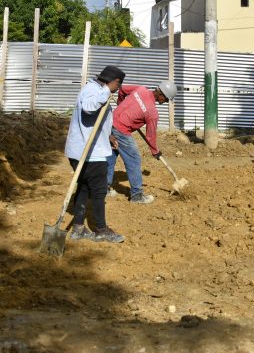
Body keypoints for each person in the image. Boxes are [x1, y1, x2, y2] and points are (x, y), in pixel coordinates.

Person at [64, 65, 126, 243]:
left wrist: (108, 135)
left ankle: (78, 228)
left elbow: (94, 120)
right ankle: (101, 229)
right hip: (90, 153)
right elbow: (90, 108)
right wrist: (107, 89)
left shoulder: (94, 89)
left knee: (83, 188)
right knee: (99, 191)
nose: (118, 89)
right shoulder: (94, 90)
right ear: (114, 82)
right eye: (118, 85)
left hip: (82, 149)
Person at [107, 81, 177, 203]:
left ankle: (103, 188)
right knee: (134, 159)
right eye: (166, 99)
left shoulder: (141, 89)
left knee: (110, 156)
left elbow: (122, 90)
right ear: (161, 94)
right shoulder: (152, 113)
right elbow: (150, 136)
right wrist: (155, 151)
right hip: (121, 130)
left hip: (109, 123)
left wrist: (120, 103)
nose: (165, 102)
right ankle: (137, 195)